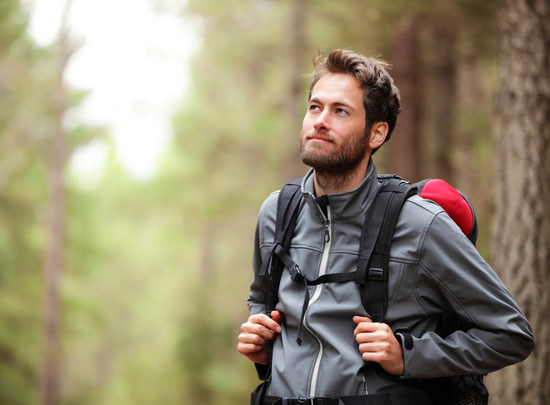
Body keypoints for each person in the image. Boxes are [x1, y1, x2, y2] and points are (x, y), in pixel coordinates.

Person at [237, 49, 534, 404]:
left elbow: (511, 334)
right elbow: (261, 297)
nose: (320, 121)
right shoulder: (277, 212)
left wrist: (407, 356)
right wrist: (261, 337)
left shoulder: (420, 224)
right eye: (315, 107)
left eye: (340, 111)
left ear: (376, 133)